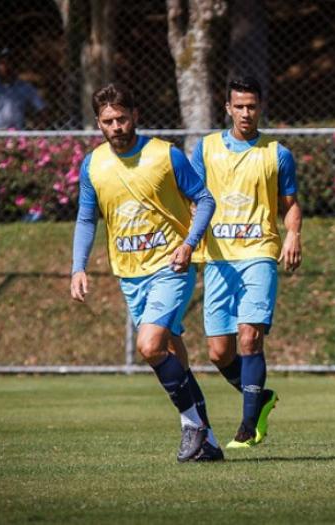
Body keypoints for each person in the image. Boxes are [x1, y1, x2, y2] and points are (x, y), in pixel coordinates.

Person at [70, 83, 222, 462]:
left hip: (171, 267)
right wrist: (78, 267)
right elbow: (87, 219)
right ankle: (209, 442)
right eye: (108, 121)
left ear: (135, 115)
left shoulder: (165, 155)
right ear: (98, 123)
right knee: (171, 353)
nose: (116, 127)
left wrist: (189, 243)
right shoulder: (93, 165)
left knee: (149, 345)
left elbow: (205, 199)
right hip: (130, 274)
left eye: (122, 118)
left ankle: (192, 424)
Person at [190, 76, 303, 449]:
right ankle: (261, 397)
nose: (245, 113)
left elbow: (290, 204)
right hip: (218, 258)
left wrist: (293, 234)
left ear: (260, 108)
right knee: (219, 352)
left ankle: (248, 424)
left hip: (259, 253)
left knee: (250, 337)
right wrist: (189, 241)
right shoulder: (206, 149)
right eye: (238, 106)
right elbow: (193, 199)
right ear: (227, 108)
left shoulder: (277, 154)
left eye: (251, 106)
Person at [0, 47, 47, 130]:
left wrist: (37, 127)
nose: (6, 66)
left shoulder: (25, 87)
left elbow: (42, 108)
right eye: (2, 63)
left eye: (10, 62)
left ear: (15, 65)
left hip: (17, 134)